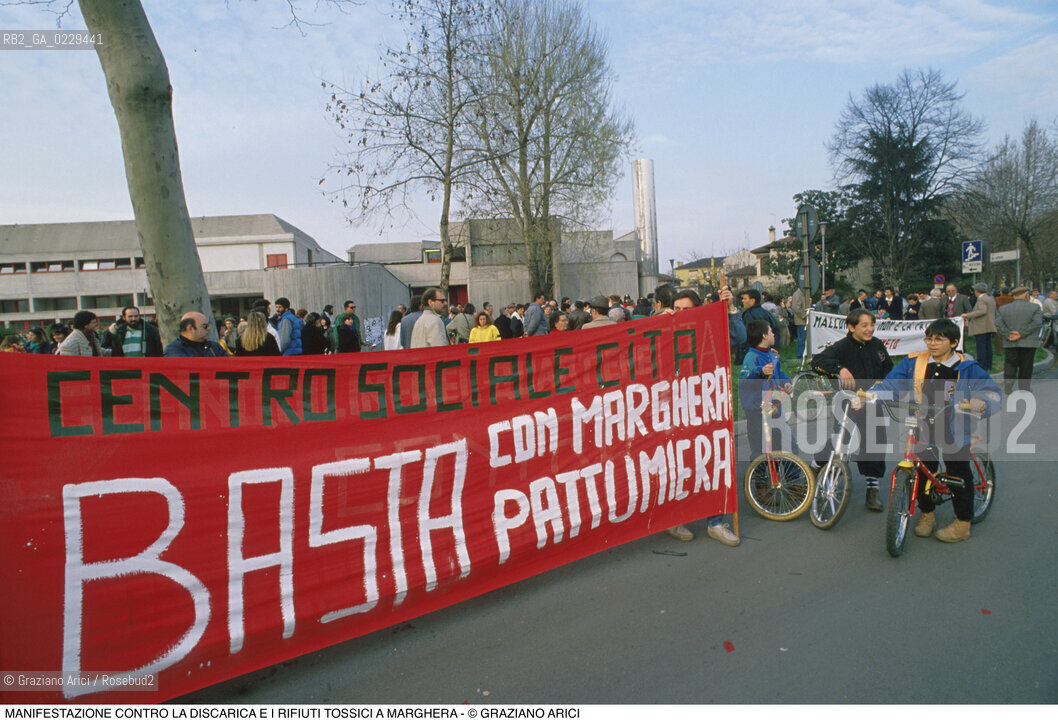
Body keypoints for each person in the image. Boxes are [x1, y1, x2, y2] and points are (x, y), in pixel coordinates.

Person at [866, 319, 1001, 543]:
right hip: (922, 422)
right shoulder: (914, 362)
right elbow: (892, 384)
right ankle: (927, 515)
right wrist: (874, 394)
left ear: (954, 342)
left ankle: (963, 523)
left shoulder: (967, 367)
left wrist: (981, 402)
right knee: (922, 469)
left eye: (939, 339)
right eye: (929, 338)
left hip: (954, 425)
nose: (932, 343)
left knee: (958, 473)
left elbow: (991, 391)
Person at [811, 309, 894, 511]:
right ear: (851, 327)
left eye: (872, 325)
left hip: (872, 400)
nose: (869, 329)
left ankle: (872, 488)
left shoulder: (877, 345)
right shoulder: (842, 347)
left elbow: (889, 370)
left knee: (874, 442)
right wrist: (839, 368)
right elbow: (817, 362)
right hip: (848, 401)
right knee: (840, 439)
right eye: (864, 325)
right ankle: (816, 466)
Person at [996, 286, 1043, 393]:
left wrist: (1009, 334)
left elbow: (998, 324)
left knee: (1010, 364)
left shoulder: (1003, 308)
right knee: (1026, 365)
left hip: (1010, 341)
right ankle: (1024, 387)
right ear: (1026, 296)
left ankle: (1008, 385)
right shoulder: (1035, 307)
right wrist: (1021, 334)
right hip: (1028, 342)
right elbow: (1037, 323)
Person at [961, 283, 996, 373]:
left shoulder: (981, 299)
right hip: (989, 325)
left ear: (976, 291)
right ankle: (988, 365)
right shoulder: (990, 298)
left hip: (981, 326)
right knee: (988, 347)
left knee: (981, 348)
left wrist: (968, 315)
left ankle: (982, 366)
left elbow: (982, 311)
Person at [163, 312, 228, 357]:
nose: (208, 329)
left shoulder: (214, 347)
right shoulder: (174, 349)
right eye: (204, 326)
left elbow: (229, 365)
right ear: (190, 328)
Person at [790, 286, 808, 359]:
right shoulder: (797, 294)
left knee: (803, 338)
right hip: (801, 320)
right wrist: (804, 315)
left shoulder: (801, 293)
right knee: (802, 338)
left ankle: (802, 354)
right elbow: (796, 307)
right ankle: (800, 354)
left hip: (803, 320)